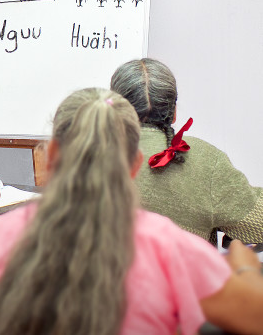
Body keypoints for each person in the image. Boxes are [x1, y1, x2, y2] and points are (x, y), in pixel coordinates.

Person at [0, 88, 263, 335]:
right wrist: (246, 269)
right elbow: (253, 317)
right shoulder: (171, 245)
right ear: (136, 164)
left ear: (50, 156)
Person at [110, 58, 263, 246]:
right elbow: (259, 224)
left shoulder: (83, 156)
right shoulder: (206, 161)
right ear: (173, 111)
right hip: (182, 275)